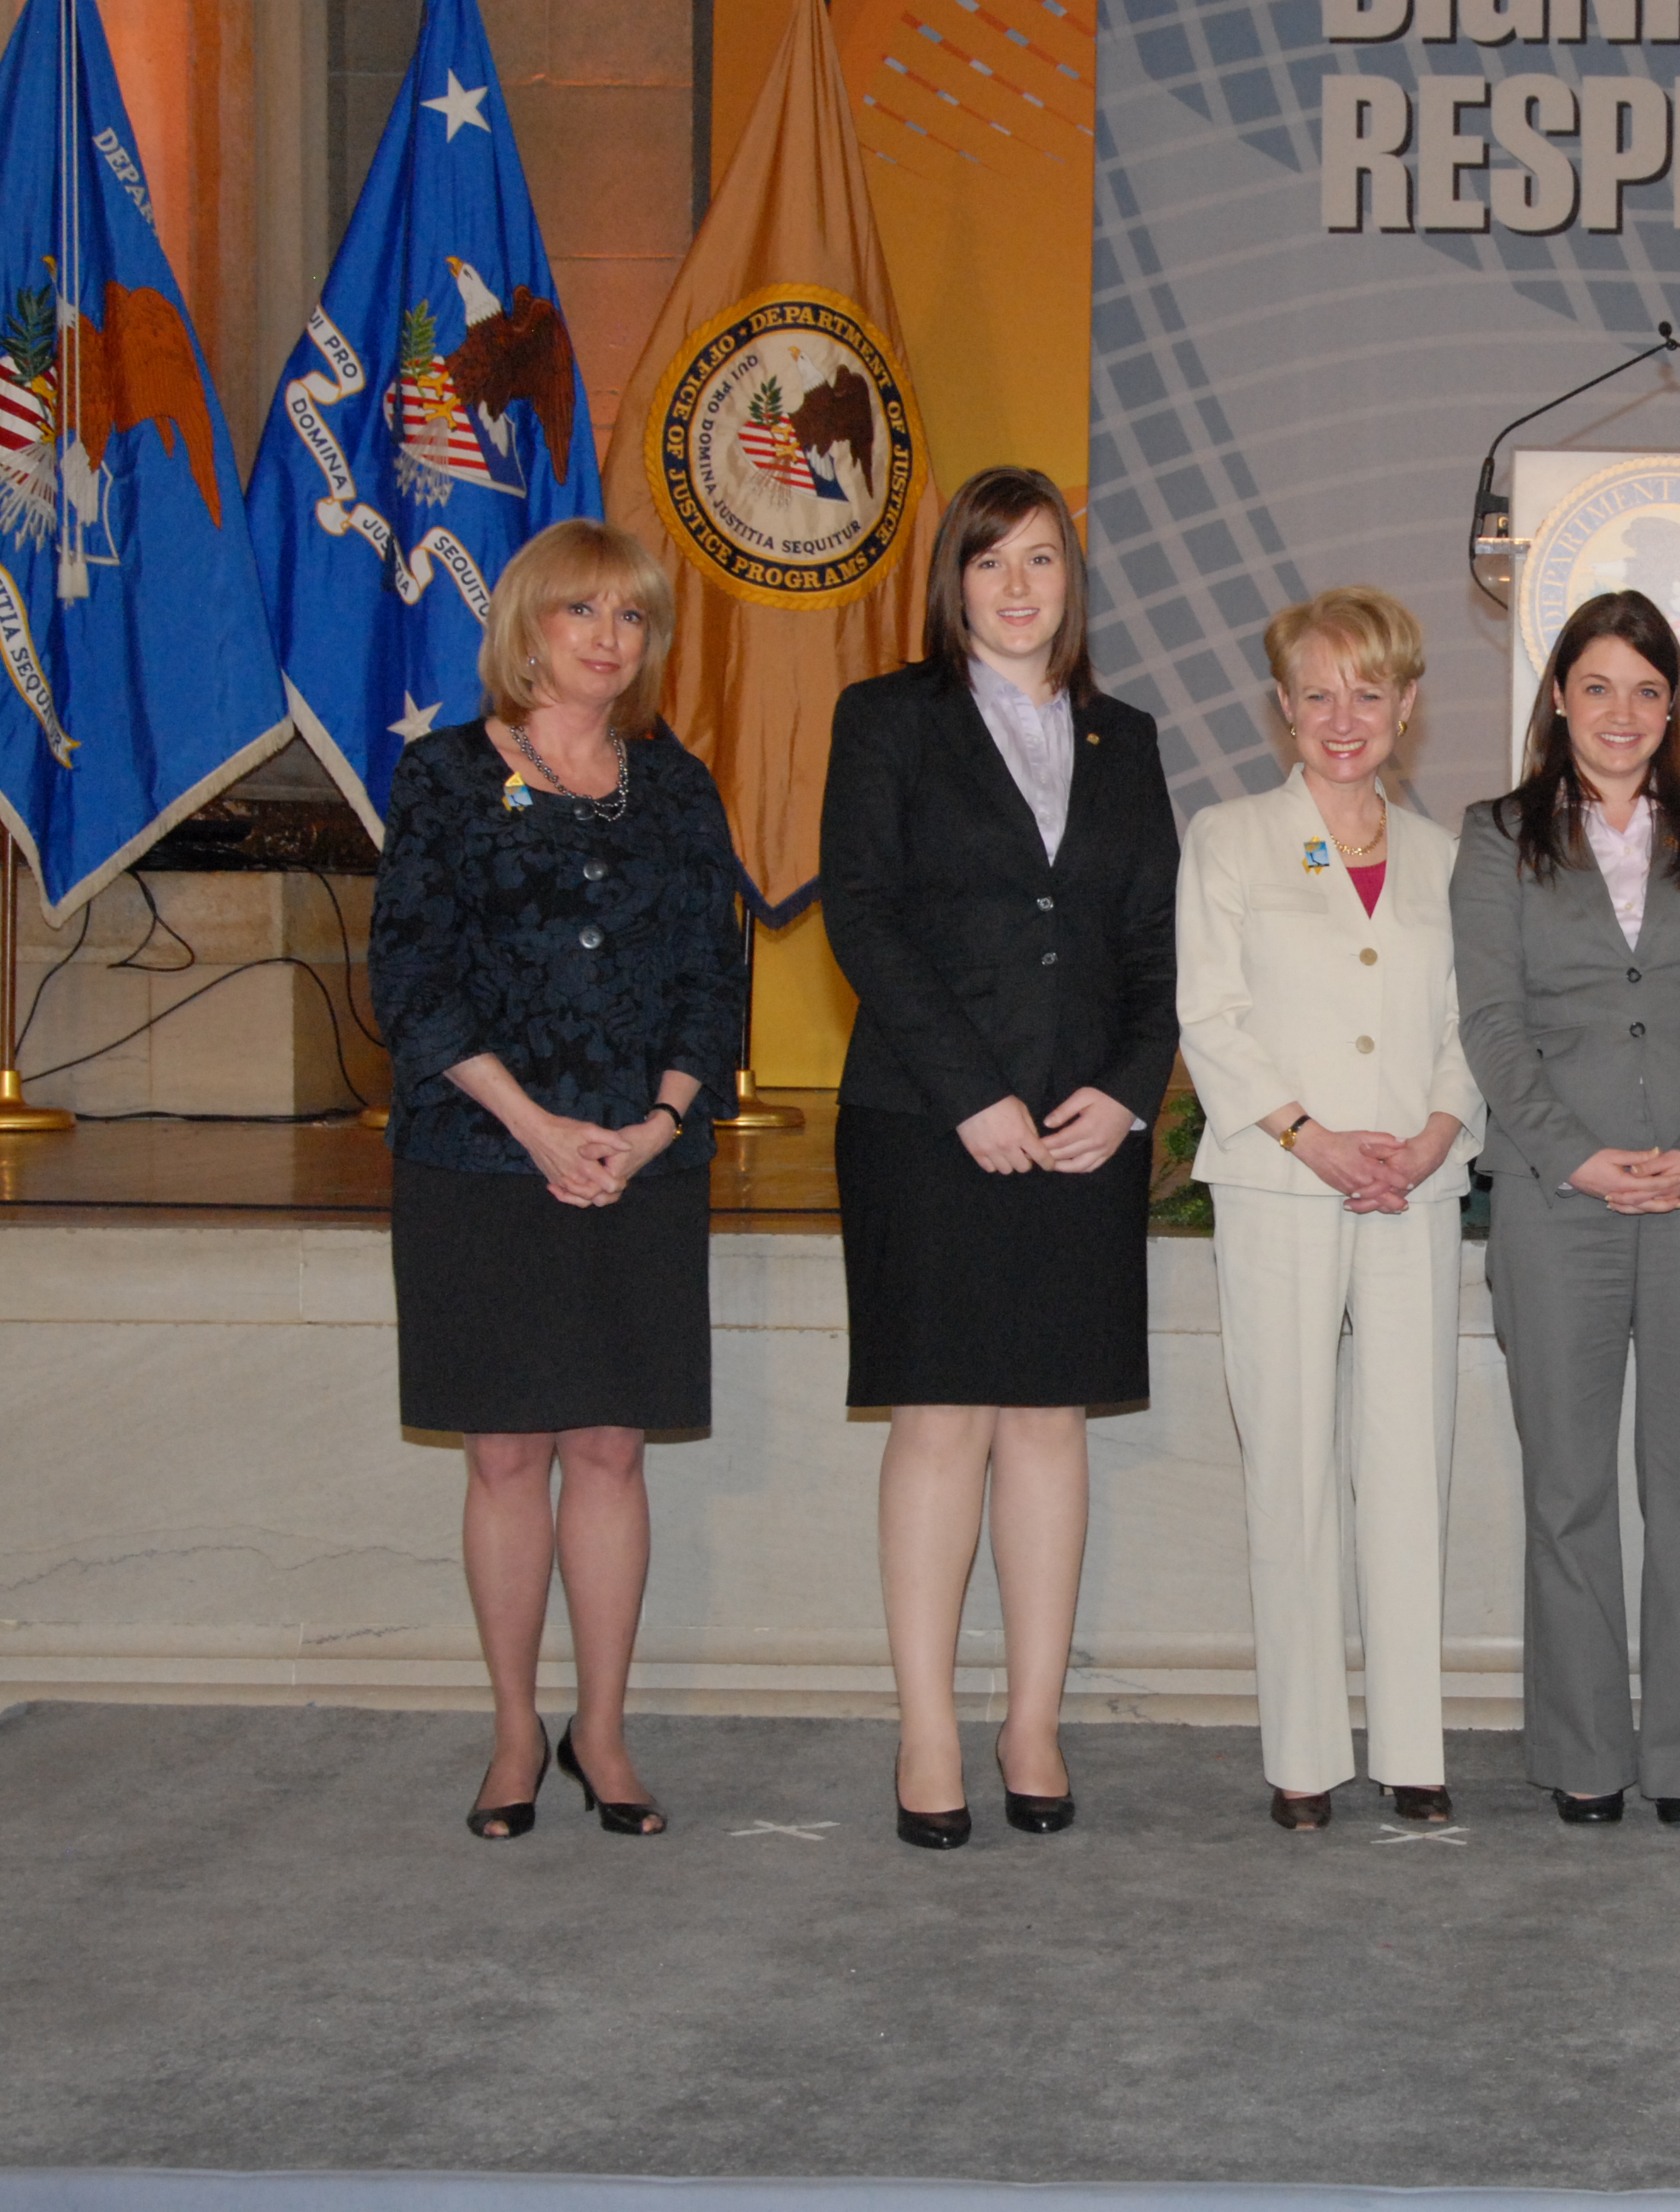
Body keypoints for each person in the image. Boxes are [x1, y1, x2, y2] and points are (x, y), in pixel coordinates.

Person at [369, 517, 747, 1842]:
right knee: (506, 1451)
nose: (607, 639)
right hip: (482, 1157)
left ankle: (603, 1729)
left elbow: (718, 983)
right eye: (583, 612)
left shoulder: (678, 785)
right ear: (525, 625)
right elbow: (410, 981)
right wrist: (533, 1126)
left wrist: (652, 1127)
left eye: (632, 618)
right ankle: (517, 1729)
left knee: (610, 1446)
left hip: (643, 1164)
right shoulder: (442, 778)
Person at [820, 465, 1180, 1850]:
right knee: (941, 1421)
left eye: (1041, 560)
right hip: (927, 1125)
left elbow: (1151, 942)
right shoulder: (889, 721)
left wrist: (1130, 1093)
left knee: (1048, 1424)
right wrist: (970, 1094)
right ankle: (927, 1725)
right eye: (990, 562)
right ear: (951, 583)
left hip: (1081, 1132)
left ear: (1069, 583)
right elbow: (862, 917)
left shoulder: (1124, 737)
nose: (1018, 586)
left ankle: (1032, 1719)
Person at [1450, 590, 1680, 1827]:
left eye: (1648, 690)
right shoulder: (1496, 837)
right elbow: (1492, 1022)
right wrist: (1577, 1157)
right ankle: (1586, 1752)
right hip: (1557, 1200)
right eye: (1597, 686)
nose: (1622, 713)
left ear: (1673, 707)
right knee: (1569, 1491)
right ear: (1556, 698)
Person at [1177, 587, 1482, 1832]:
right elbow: (1210, 1018)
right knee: (1291, 1463)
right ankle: (1302, 1753)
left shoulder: (1454, 860)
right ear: (1280, 711)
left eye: (1369, 693)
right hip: (1279, 1184)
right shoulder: (1230, 839)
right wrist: (1308, 1139)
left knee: (1411, 1463)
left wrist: (1432, 1136)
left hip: (1415, 1185)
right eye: (1317, 695)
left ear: (1408, 705)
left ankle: (1413, 1744)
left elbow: (1476, 1030)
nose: (1342, 719)